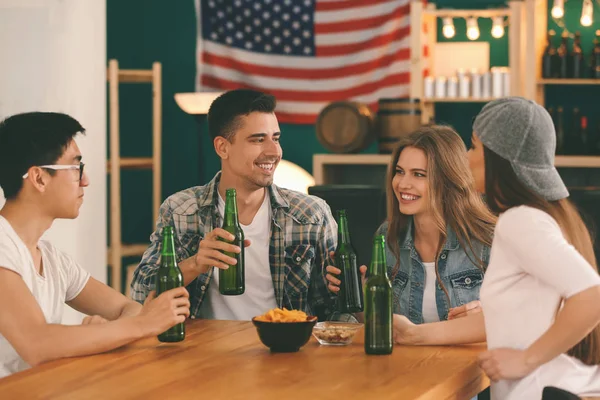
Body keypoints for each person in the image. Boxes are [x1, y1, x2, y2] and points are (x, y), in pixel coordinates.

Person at [394, 97, 600, 399]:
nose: (466, 156)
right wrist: (412, 333)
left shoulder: (520, 221)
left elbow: (592, 295)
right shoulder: (545, 217)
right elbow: (512, 319)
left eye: (475, 146)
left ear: (498, 157)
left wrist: (526, 359)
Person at [0, 112, 190, 378]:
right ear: (39, 178)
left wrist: (104, 333)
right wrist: (140, 325)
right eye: (76, 167)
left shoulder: (53, 259)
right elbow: (37, 343)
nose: (85, 179)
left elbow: (128, 309)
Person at [131, 89, 337, 321]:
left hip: (287, 351)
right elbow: (141, 292)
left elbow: (336, 310)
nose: (274, 151)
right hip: (205, 351)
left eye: (276, 138)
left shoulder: (312, 214)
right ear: (222, 147)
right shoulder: (180, 210)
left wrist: (358, 289)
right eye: (258, 139)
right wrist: (195, 264)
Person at [326, 125, 496, 323]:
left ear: (447, 179)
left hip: (469, 355)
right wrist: (359, 299)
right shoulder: (387, 236)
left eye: (418, 174)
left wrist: (487, 315)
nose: (402, 184)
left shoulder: (488, 240)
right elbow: (383, 327)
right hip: (407, 355)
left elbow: (518, 321)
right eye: (400, 172)